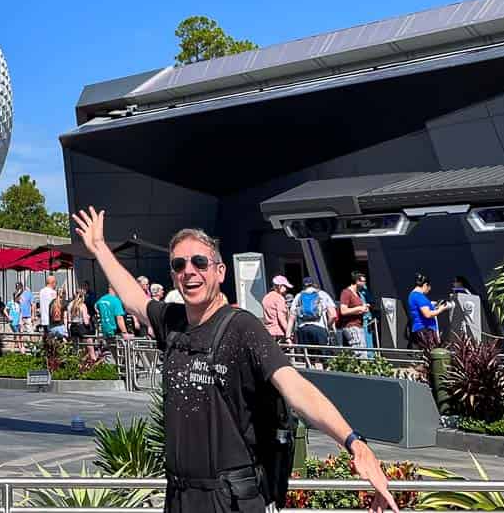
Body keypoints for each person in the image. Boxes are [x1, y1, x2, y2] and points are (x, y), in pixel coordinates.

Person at [74, 208, 397, 513]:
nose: (189, 271)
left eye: (200, 262)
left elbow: (294, 386)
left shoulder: (242, 327)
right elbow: (134, 299)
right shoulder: (172, 320)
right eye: (179, 265)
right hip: (180, 497)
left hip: (230, 500)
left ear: (220, 271)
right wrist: (100, 247)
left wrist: (354, 443)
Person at [293, 278, 332, 352]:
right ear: (314, 284)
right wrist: (328, 326)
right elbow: (333, 315)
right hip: (320, 328)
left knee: (308, 357)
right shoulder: (323, 294)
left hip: (303, 329)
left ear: (303, 286)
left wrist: (288, 336)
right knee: (323, 358)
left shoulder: (298, 296)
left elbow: (292, 317)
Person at [407, 276, 444, 351]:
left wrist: (432, 305)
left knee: (426, 354)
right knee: (432, 354)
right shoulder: (419, 297)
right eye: (429, 287)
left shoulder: (412, 295)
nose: (429, 289)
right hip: (426, 329)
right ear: (425, 285)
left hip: (420, 328)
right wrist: (441, 309)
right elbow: (427, 314)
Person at [338, 273, 369, 352]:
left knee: (360, 350)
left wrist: (363, 309)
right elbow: (343, 311)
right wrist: (359, 308)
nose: (364, 284)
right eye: (363, 281)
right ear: (357, 281)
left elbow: (355, 310)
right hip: (351, 326)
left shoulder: (358, 294)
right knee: (360, 352)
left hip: (359, 326)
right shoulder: (346, 292)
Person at [261, 276, 294, 345]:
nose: (286, 289)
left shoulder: (266, 298)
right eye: (285, 286)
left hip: (268, 332)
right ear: (279, 286)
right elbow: (281, 318)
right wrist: (289, 333)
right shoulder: (279, 298)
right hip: (279, 333)